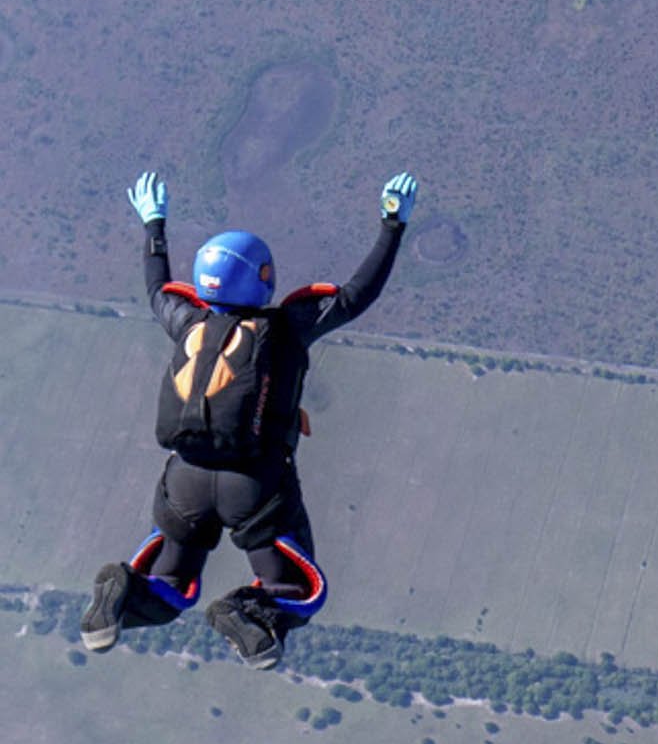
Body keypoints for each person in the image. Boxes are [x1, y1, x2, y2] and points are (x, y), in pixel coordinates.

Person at [80, 167, 419, 670]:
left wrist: (154, 226)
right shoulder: (285, 327)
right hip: (255, 486)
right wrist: (392, 226)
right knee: (298, 591)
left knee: (170, 587)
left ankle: (123, 592)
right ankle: (245, 612)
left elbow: (156, 289)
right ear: (262, 278)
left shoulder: (187, 321)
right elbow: (355, 295)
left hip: (184, 479)